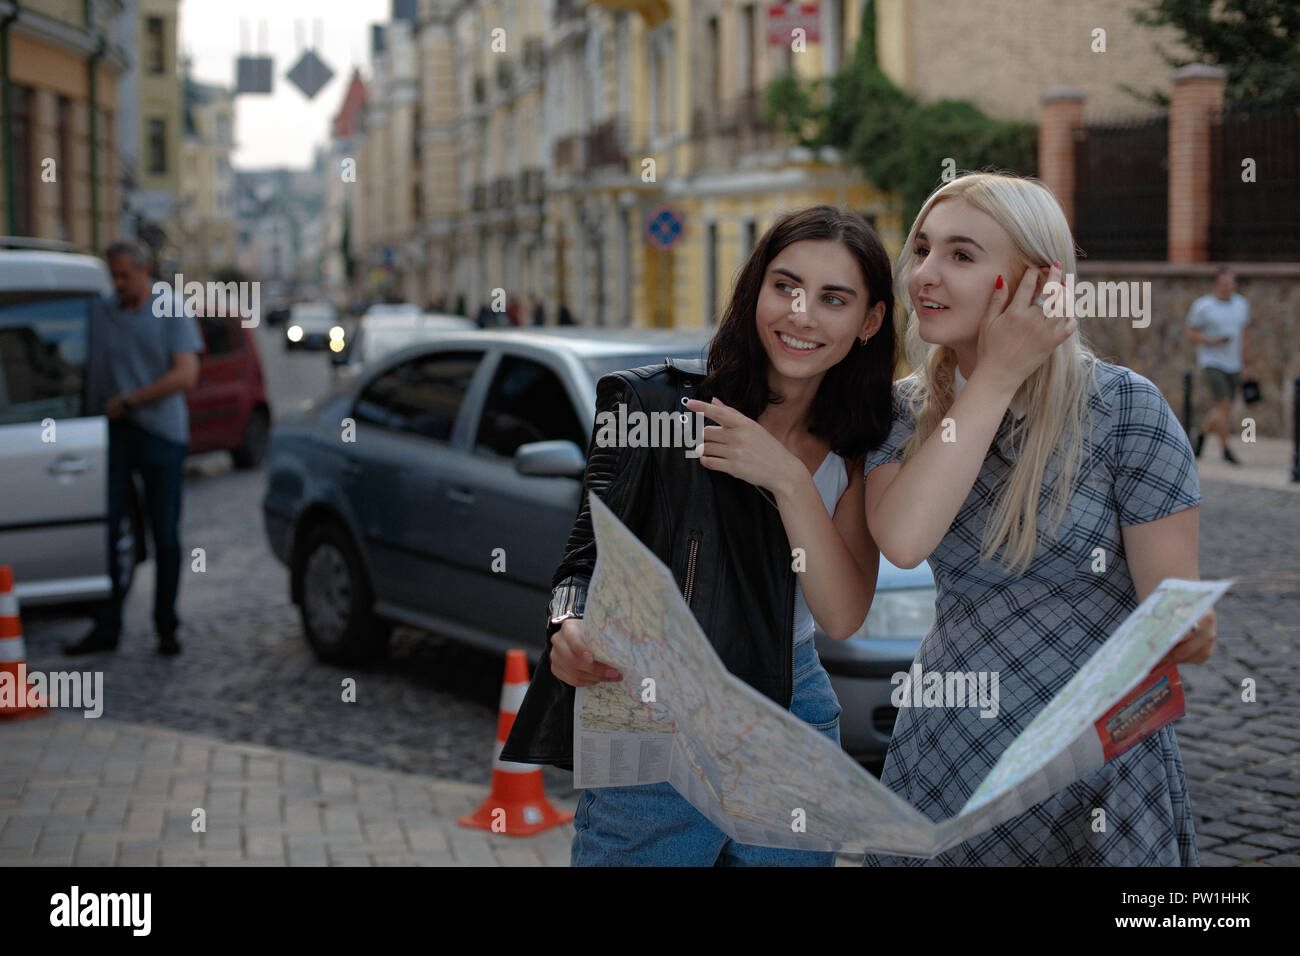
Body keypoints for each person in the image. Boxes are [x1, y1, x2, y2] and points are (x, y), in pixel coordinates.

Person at [501, 206, 898, 865]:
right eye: (785, 286)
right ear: (755, 290)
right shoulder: (656, 407)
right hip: (653, 704)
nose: (801, 315)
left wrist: (790, 482)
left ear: (870, 322)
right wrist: (566, 624)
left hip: (791, 713)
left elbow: (842, 613)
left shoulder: (860, 444)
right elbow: (583, 561)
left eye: (834, 299)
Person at [860, 173, 1217, 866]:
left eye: (962, 255)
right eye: (923, 250)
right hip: (951, 751)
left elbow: (1176, 615)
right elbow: (904, 539)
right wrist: (993, 378)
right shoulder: (901, 415)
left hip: (1099, 765)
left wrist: (1186, 632)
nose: (925, 275)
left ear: (1035, 283)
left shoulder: (1124, 412)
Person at [68, 238, 203, 656]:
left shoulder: (171, 307)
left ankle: (167, 626)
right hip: (116, 433)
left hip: (162, 433)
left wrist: (132, 400)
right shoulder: (105, 310)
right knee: (109, 531)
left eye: (125, 275)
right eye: (114, 275)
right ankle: (107, 626)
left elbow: (186, 375)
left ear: (145, 271)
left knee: (165, 533)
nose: (119, 283)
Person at [1185, 267, 1252, 464]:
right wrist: (1210, 340)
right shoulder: (1203, 306)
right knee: (1223, 404)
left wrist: (1247, 363)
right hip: (1212, 361)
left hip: (1234, 363)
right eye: (1224, 283)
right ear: (1216, 284)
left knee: (1224, 408)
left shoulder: (1242, 304)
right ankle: (1226, 449)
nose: (1228, 287)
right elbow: (1190, 332)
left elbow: (1245, 336)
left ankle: (1202, 435)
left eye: (1231, 283)